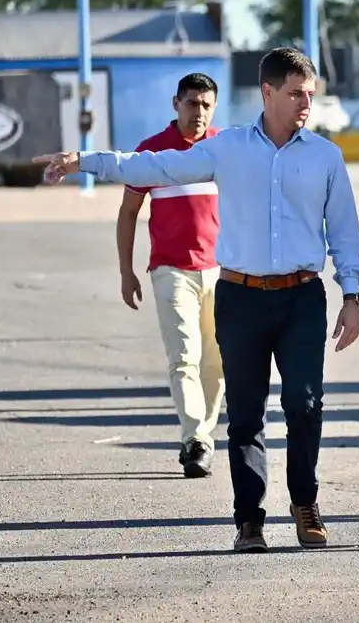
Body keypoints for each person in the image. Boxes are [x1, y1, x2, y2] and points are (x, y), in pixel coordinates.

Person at [36, 47, 359, 553]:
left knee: (304, 405)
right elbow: (154, 166)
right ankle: (249, 520)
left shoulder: (326, 156)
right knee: (246, 414)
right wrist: (85, 160)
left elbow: (343, 232)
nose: (306, 103)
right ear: (268, 93)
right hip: (239, 296)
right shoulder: (227, 148)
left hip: (302, 297)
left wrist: (352, 294)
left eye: (310, 94)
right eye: (296, 93)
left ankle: (306, 504)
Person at [116, 73, 224, 479]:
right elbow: (128, 213)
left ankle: (203, 437)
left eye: (206, 105)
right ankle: (195, 439)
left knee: (217, 363)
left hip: (220, 271)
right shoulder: (152, 153)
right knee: (184, 357)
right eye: (192, 103)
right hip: (170, 270)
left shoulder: (222, 148)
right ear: (175, 104)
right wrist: (126, 272)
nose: (198, 112)